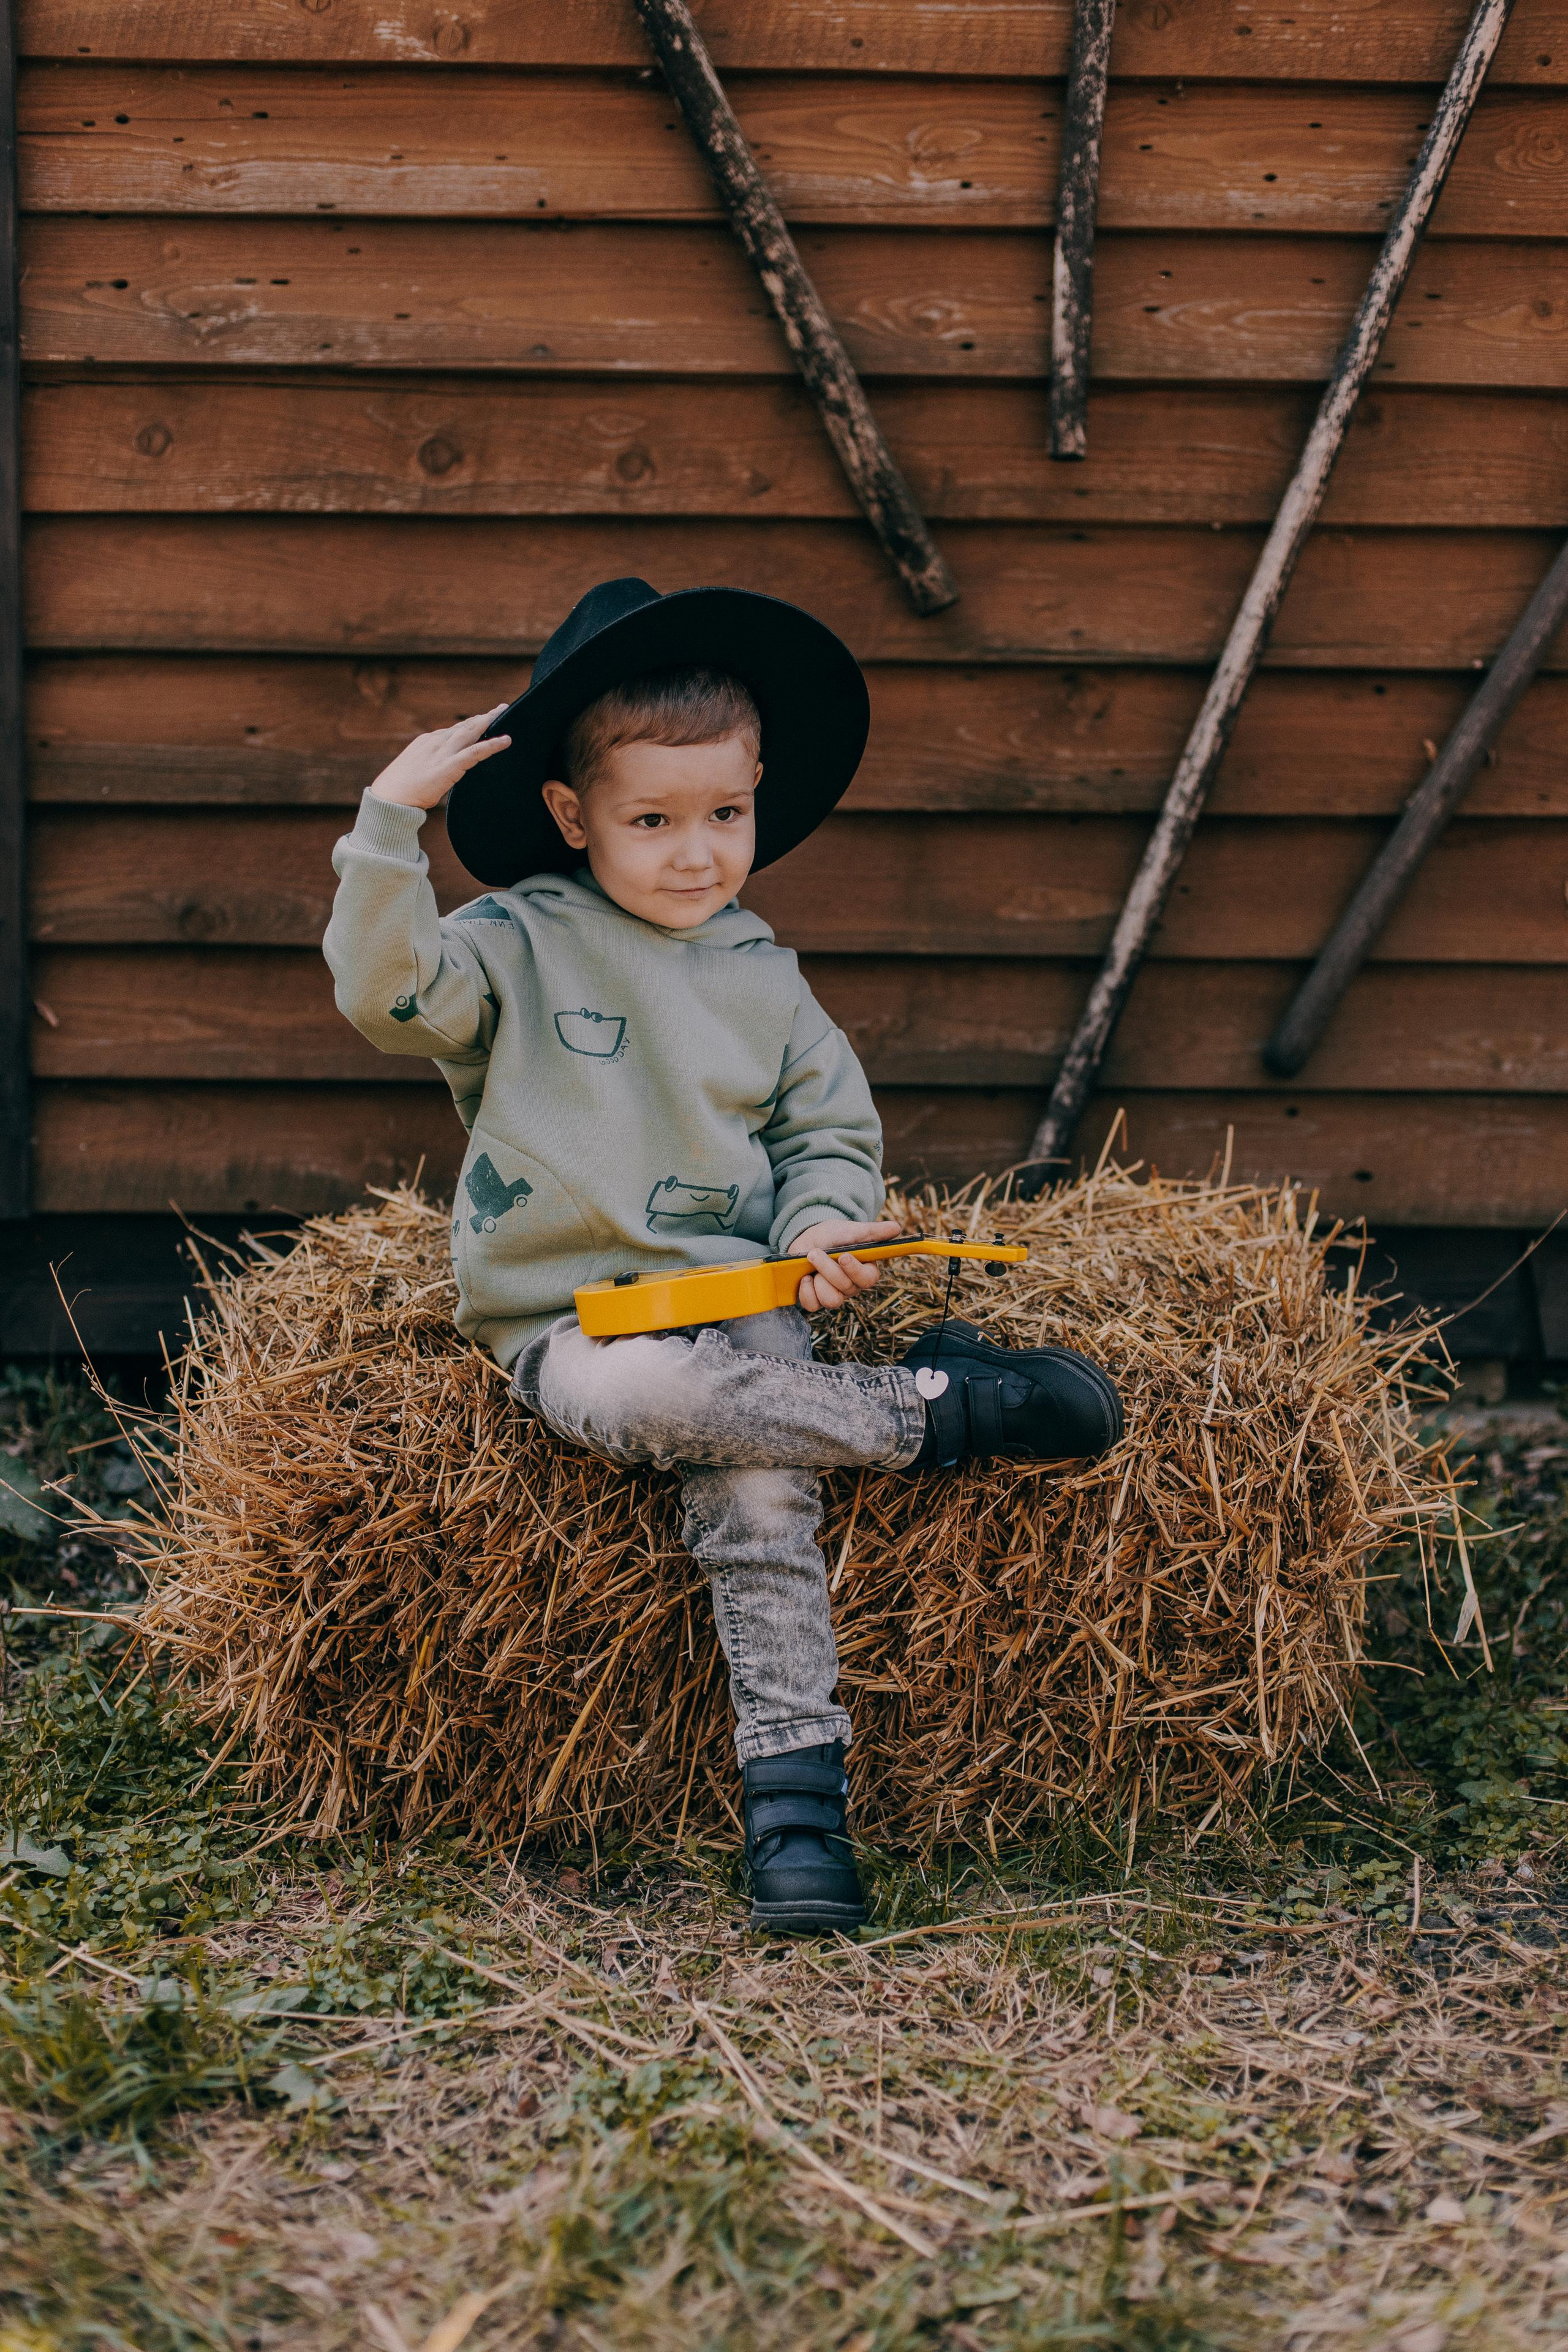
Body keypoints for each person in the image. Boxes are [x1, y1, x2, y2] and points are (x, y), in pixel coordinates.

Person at [324, 578, 1121, 1933]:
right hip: (570, 1321)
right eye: (651, 822)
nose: (695, 853)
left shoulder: (766, 975)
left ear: (756, 792)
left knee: (759, 1502)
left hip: (746, 1298)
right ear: (573, 819)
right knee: (652, 1404)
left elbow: (825, 1133)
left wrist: (817, 1226)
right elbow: (385, 997)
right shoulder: (510, 945)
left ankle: (797, 1813)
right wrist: (387, 825)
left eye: (724, 815)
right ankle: (942, 1411)